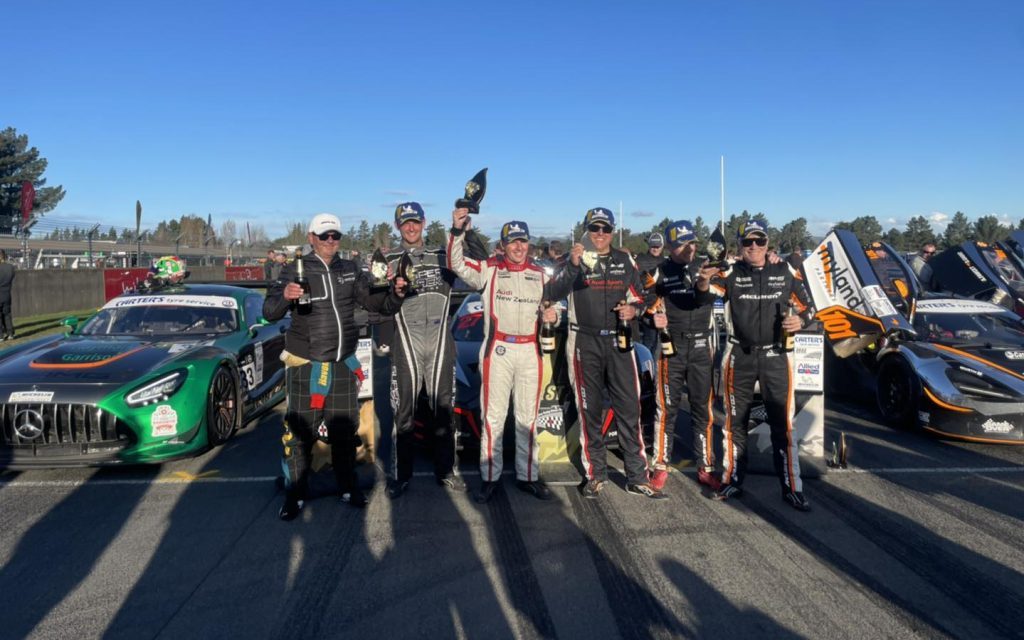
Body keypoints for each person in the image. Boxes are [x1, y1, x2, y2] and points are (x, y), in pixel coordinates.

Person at [264, 213, 407, 520]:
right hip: (306, 365)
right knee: (299, 434)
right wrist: (285, 297)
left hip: (343, 364)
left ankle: (347, 487)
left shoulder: (350, 268)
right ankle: (295, 494)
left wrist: (394, 294)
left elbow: (373, 302)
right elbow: (269, 311)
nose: (331, 241)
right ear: (311, 237)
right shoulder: (293, 269)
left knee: (344, 432)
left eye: (335, 236)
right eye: (325, 235)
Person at [448, 211, 572, 503]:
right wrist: (456, 230)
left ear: (529, 244)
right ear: (502, 245)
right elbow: (455, 263)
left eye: (523, 242)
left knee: (528, 418)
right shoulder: (489, 269)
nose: (518, 247)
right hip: (498, 350)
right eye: (512, 242)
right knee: (494, 418)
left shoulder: (541, 274)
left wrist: (552, 315)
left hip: (531, 350)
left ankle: (527, 475)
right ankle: (489, 477)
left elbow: (556, 306)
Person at [708, 220, 812, 512]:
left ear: (768, 243)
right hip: (738, 354)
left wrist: (801, 321)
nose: (754, 247)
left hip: (777, 355)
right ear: (739, 246)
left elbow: (810, 306)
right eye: (748, 242)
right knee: (734, 423)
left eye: (760, 241)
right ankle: (732, 480)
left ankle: (792, 487)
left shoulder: (784, 270)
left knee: (784, 426)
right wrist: (706, 273)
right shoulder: (729, 272)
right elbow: (703, 291)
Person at [563, 207, 664, 499]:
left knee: (629, 409)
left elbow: (643, 297)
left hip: (621, 342)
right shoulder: (574, 260)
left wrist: (635, 309)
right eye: (595, 229)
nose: (600, 234)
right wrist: (572, 265)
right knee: (589, 410)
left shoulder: (624, 260)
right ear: (586, 230)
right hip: (584, 341)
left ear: (612, 231)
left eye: (605, 229)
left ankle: (636, 476)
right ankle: (595, 475)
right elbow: (554, 291)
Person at [382, 202, 467, 499]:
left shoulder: (443, 255)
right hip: (406, 342)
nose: (410, 227)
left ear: (424, 222)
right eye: (405, 222)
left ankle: (446, 471)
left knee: (443, 410)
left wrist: (459, 228)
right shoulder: (387, 260)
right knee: (402, 413)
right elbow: (373, 302)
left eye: (415, 221)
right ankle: (400, 475)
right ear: (397, 226)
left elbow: (476, 263)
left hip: (440, 342)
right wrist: (391, 292)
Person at [645, 220, 720, 492]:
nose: (688, 248)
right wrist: (652, 314)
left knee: (703, 409)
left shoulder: (706, 266)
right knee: (666, 409)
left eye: (691, 242)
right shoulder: (658, 271)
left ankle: (706, 467)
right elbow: (641, 300)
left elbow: (707, 298)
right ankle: (660, 465)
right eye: (681, 244)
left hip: (702, 346)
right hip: (670, 347)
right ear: (670, 246)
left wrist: (703, 280)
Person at [0, 251, 15, 341]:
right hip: (7, 293)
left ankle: (0, 335)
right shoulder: (10, 267)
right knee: (7, 314)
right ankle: (10, 334)